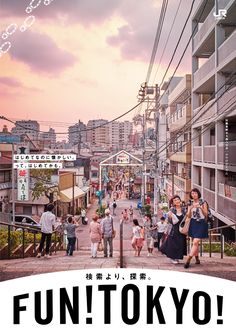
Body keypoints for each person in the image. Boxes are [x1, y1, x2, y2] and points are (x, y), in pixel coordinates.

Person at [184, 188, 209, 269]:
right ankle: (197, 258)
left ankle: (188, 259)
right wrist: (191, 208)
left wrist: (200, 207)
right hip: (193, 223)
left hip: (201, 223)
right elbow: (188, 215)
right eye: (192, 193)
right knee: (195, 243)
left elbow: (206, 214)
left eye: (195, 193)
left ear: (198, 194)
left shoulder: (203, 202)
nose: (194, 195)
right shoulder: (190, 203)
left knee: (195, 241)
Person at [160, 195, 187, 264]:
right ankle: (172, 257)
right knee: (173, 243)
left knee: (180, 243)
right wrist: (170, 216)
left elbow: (187, 217)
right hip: (174, 229)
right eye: (175, 200)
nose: (177, 201)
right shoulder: (172, 210)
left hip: (182, 229)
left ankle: (177, 257)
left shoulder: (184, 209)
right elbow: (170, 221)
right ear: (173, 203)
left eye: (178, 199)